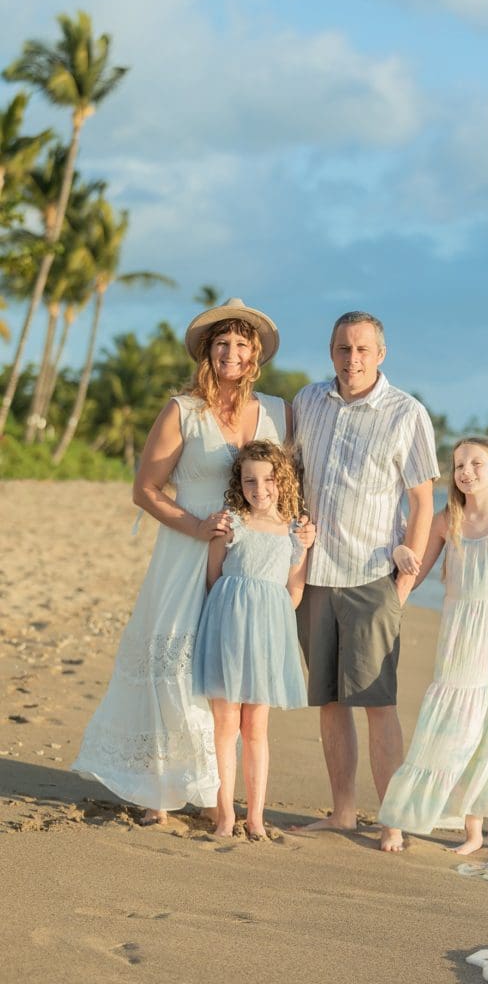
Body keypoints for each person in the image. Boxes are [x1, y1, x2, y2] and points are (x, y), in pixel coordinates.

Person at [73, 298, 313, 825]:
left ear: (255, 357)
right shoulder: (183, 410)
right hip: (188, 548)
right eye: (223, 344)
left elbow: (286, 484)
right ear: (208, 353)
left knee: (228, 671)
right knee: (179, 666)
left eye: (242, 346)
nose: (233, 354)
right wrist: (197, 527)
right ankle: (163, 789)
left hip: (252, 560)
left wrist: (296, 546)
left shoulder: (276, 410)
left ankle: (213, 793)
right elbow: (145, 489)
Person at [293, 311, 440, 853]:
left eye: (361, 350)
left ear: (381, 354)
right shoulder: (308, 402)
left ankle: (393, 819)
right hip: (314, 576)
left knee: (379, 704)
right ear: (330, 352)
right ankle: (343, 814)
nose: (350, 359)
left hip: (373, 577)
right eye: (341, 349)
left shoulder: (407, 413)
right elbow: (292, 477)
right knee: (329, 703)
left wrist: (404, 583)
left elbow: (423, 501)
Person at [379, 436, 488, 857]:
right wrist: (392, 604)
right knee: (448, 730)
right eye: (460, 464)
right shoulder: (448, 521)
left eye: (476, 464)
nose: (466, 471)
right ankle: (404, 819)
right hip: (458, 640)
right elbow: (417, 570)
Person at [193, 440, 308, 839]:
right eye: (250, 481)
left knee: (256, 726)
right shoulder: (231, 524)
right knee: (225, 723)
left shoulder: (293, 532)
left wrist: (270, 616)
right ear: (238, 484)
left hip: (268, 634)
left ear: (283, 481)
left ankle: (255, 817)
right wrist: (235, 612)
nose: (260, 489)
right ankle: (226, 815)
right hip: (227, 628)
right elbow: (214, 577)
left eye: (268, 479)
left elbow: (294, 592)